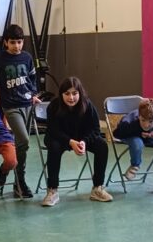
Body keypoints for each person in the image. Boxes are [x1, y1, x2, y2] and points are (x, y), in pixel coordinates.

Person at [42, 77, 111, 206]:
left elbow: (96, 129)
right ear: (61, 94)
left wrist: (84, 142)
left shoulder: (87, 104)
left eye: (75, 93)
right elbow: (53, 130)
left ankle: (98, 188)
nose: (71, 97)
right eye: (67, 93)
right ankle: (52, 190)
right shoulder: (54, 106)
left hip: (80, 138)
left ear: (80, 93)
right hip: (58, 138)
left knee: (102, 145)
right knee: (54, 147)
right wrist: (70, 142)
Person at [0, 23, 36, 198]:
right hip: (10, 106)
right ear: (6, 42)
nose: (16, 46)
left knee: (23, 144)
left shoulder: (27, 57)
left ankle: (18, 181)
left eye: (19, 42)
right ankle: (13, 174)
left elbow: (32, 78)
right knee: (24, 139)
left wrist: (33, 94)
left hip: (27, 104)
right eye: (13, 42)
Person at [114, 97, 153, 192]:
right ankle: (135, 165)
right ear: (139, 116)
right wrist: (138, 133)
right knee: (137, 142)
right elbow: (116, 134)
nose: (146, 125)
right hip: (132, 135)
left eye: (150, 121)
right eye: (143, 120)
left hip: (150, 136)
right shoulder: (129, 122)